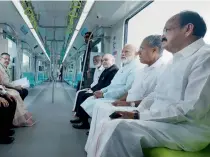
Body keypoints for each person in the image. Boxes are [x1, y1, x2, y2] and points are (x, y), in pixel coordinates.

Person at [85, 11, 210, 157]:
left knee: (118, 127)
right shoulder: (174, 61)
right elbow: (156, 95)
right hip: (165, 121)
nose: (162, 36)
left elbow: (190, 110)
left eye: (167, 30)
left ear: (188, 29)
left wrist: (138, 116)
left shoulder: (204, 58)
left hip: (186, 129)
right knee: (110, 120)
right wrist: (136, 112)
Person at [85, 34, 166, 139]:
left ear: (154, 50)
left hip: (137, 107)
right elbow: (130, 90)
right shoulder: (142, 70)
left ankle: (99, 139)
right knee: (99, 107)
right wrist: (119, 100)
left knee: (105, 112)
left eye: (141, 49)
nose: (138, 52)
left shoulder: (161, 70)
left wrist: (126, 103)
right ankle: (95, 137)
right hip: (127, 102)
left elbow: (151, 99)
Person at [71, 44, 144, 129]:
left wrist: (104, 95)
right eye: (122, 52)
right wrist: (101, 91)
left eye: (126, 51)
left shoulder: (135, 68)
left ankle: (96, 128)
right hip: (109, 94)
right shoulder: (123, 68)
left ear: (135, 54)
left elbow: (126, 89)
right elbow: (111, 85)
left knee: (97, 104)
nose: (123, 54)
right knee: (89, 98)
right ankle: (91, 126)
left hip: (117, 97)